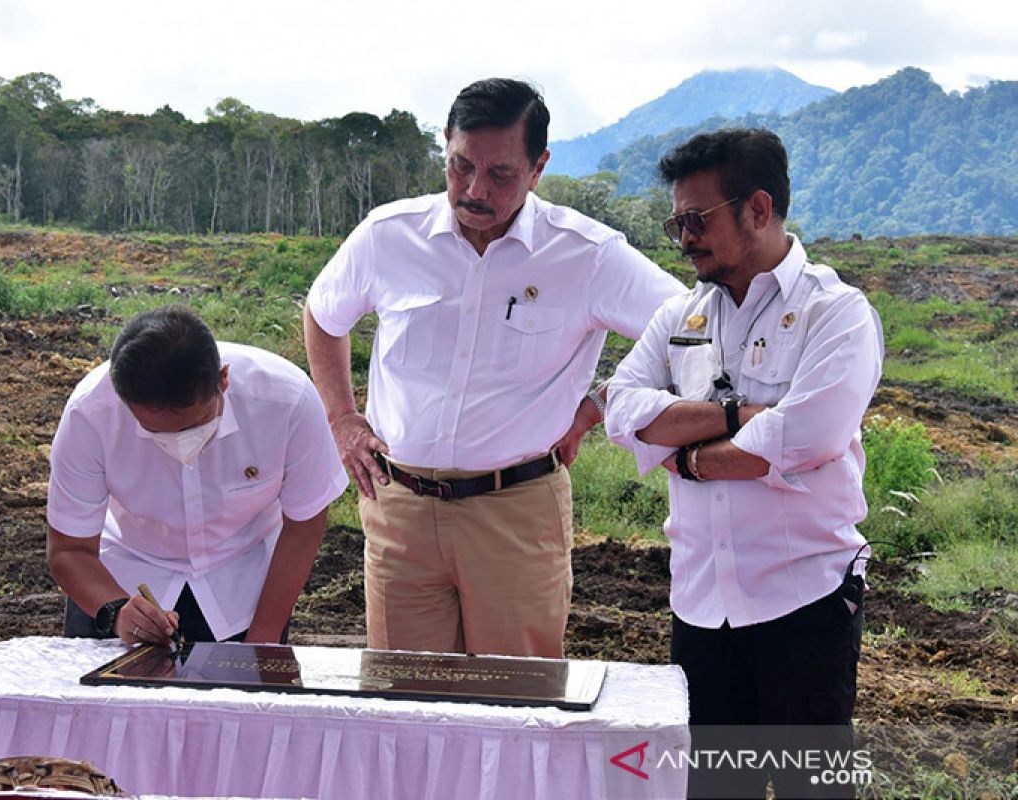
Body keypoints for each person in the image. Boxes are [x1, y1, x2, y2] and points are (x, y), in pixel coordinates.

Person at [304, 78, 683, 659]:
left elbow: (687, 330)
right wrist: (342, 419)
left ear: (538, 169)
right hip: (399, 508)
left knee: (516, 707)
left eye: (501, 174)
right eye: (460, 166)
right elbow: (323, 313)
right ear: (445, 148)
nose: (475, 189)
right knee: (406, 703)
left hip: (515, 513)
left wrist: (599, 406)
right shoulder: (388, 237)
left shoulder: (586, 254)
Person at [603, 128, 883, 798]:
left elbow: (808, 436)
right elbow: (619, 410)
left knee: (812, 789)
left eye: (697, 220)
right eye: (677, 222)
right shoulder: (679, 315)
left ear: (758, 209)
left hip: (806, 602)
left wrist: (687, 458)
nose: (684, 237)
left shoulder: (835, 313)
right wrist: (740, 417)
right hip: (700, 604)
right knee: (707, 788)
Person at [47, 304, 347, 648]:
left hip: (244, 592)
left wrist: (263, 639)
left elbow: (304, 523)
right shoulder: (90, 414)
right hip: (122, 582)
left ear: (223, 379)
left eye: (192, 426)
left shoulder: (287, 402)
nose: (178, 444)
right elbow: (68, 549)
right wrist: (116, 612)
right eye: (154, 432)